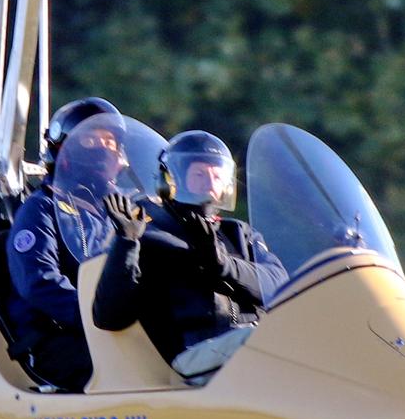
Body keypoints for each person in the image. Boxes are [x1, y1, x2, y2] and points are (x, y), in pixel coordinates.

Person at [93, 130, 287, 380]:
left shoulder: (239, 233)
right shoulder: (150, 236)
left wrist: (222, 264)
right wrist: (126, 243)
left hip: (249, 347)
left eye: (216, 175)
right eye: (199, 174)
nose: (209, 183)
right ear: (170, 181)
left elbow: (280, 286)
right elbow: (110, 316)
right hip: (192, 354)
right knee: (264, 342)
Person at [5, 98, 126, 389]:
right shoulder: (42, 209)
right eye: (91, 140)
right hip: (61, 339)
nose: (102, 148)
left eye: (109, 142)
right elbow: (39, 282)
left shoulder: (121, 211)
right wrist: (96, 317)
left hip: (115, 330)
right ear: (64, 150)